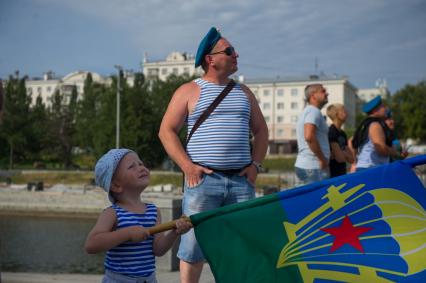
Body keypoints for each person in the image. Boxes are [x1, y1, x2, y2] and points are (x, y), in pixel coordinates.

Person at [158, 27, 268, 283]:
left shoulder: (244, 92)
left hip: (241, 181)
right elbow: (166, 131)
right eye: (229, 51)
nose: (236, 54)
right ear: (211, 59)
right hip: (202, 180)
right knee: (193, 247)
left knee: (240, 245)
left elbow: (261, 131)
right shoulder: (188, 91)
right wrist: (187, 167)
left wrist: (256, 165)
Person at [85, 148, 192, 283]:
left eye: (140, 163)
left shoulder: (153, 211)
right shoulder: (112, 213)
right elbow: (91, 244)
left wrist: (174, 233)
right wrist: (127, 233)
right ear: (116, 185)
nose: (141, 168)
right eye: (132, 166)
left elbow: (158, 249)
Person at [294, 84, 330, 185]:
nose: (327, 93)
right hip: (313, 166)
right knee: (320, 199)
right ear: (313, 96)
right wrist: (322, 159)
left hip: (309, 166)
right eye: (323, 91)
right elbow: (309, 136)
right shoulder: (314, 111)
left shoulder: (308, 111)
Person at [351, 96, 398, 171]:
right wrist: (394, 152)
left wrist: (355, 162)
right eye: (383, 106)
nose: (385, 109)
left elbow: (351, 143)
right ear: (375, 110)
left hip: (365, 167)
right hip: (372, 168)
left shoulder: (365, 124)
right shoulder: (375, 125)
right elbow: (381, 149)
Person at [326, 103, 354, 177]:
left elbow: (352, 159)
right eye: (344, 111)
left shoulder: (343, 133)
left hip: (342, 173)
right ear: (336, 114)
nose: (347, 113)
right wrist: (344, 154)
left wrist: (342, 153)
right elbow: (340, 158)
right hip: (332, 174)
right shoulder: (331, 132)